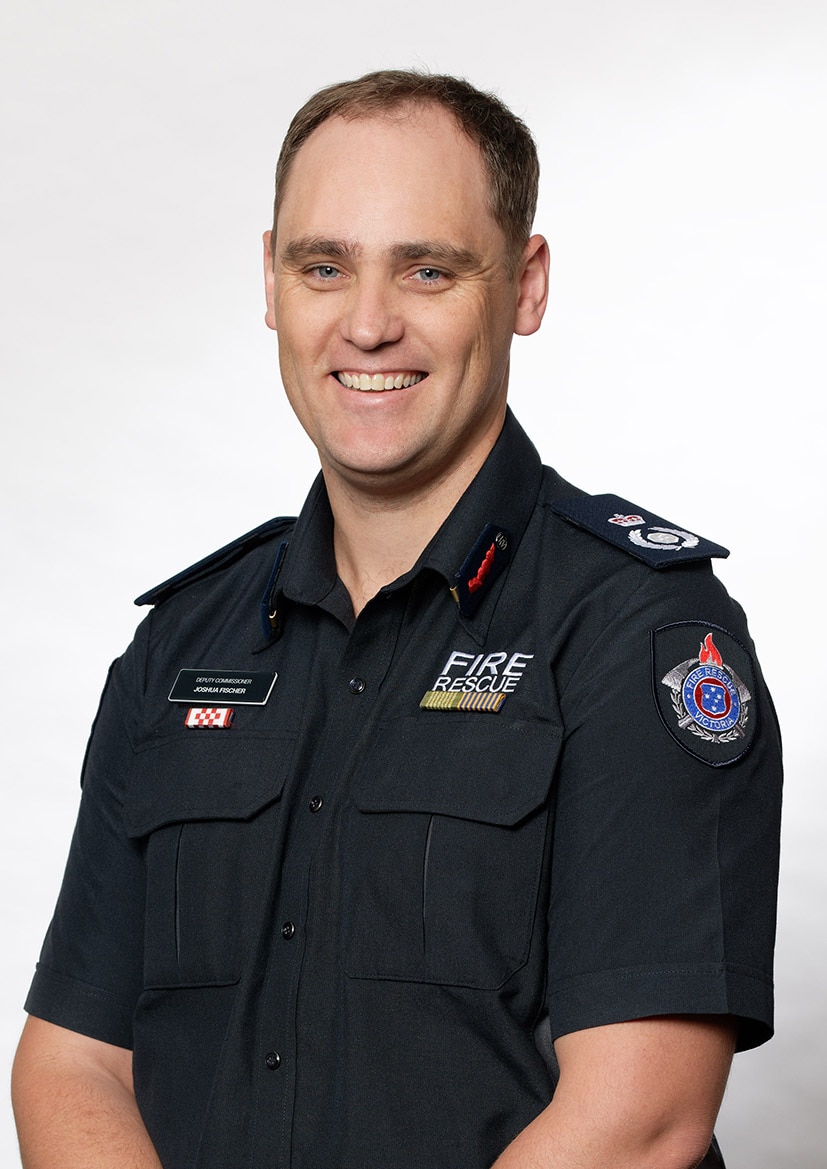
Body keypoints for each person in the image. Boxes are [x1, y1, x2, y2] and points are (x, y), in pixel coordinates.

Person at [12, 70, 782, 1169]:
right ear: (271, 281)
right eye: (323, 267)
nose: (367, 324)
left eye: (427, 269)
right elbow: (73, 1062)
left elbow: (639, 1123)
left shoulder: (637, 631)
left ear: (524, 286)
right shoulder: (180, 645)